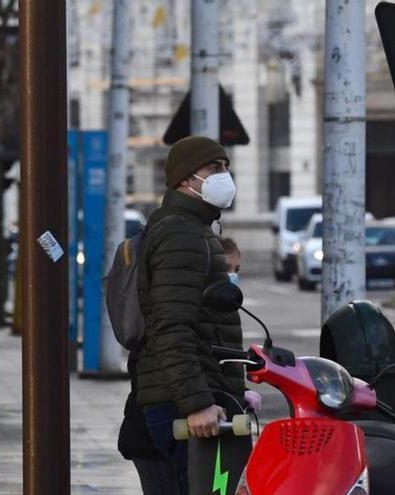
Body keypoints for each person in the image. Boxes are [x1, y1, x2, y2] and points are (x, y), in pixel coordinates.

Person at [134, 136, 246, 493]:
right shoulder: (181, 232)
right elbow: (171, 325)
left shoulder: (192, 227)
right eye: (214, 169)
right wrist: (197, 403)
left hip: (190, 397)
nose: (223, 176)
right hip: (185, 406)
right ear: (185, 178)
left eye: (226, 168)